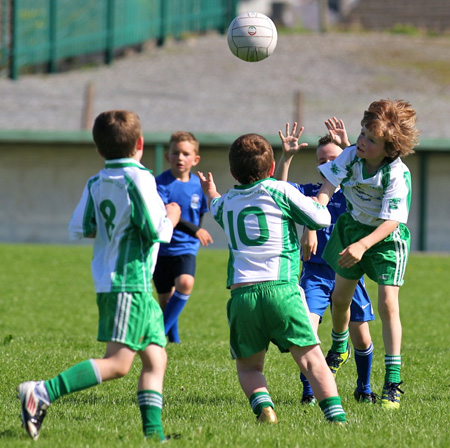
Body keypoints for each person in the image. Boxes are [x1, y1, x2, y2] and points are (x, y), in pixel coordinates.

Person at [17, 110, 181, 441]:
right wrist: (171, 217)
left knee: (156, 358)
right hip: (129, 282)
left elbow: (80, 226)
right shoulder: (140, 178)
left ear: (97, 148)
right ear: (140, 143)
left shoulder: (95, 182)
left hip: (117, 280)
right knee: (119, 363)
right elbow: (153, 230)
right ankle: (42, 392)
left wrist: (114, 229)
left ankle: (154, 436)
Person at [198, 133, 347, 425]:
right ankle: (336, 417)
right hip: (282, 291)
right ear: (269, 170)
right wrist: (324, 192)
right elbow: (320, 218)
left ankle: (265, 406)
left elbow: (214, 204)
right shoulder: (279, 190)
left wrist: (210, 190)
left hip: (242, 296)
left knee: (250, 368)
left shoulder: (227, 202)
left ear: (232, 172)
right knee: (312, 359)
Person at [312, 99, 419, 409]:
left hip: (385, 238)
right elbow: (329, 184)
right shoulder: (350, 155)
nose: (361, 141)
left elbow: (391, 222)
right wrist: (318, 206)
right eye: (361, 134)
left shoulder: (396, 174)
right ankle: (340, 345)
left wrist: (362, 246)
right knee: (340, 298)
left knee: (387, 303)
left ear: (390, 148)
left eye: (370, 139)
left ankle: (393, 381)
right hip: (353, 228)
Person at [276, 119, 377, 405]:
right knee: (307, 331)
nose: (329, 163)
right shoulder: (309, 191)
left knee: (361, 338)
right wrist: (287, 156)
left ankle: (364, 388)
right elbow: (279, 189)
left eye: (334, 158)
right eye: (323, 160)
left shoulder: (357, 193)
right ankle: (309, 392)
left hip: (349, 272)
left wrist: (349, 147)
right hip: (315, 275)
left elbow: (370, 175)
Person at [153, 131, 213, 343]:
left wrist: (195, 235)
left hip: (186, 248)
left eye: (186, 153)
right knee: (165, 300)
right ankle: (174, 341)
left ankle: (157, 334)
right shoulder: (159, 184)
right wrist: (195, 230)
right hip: (161, 248)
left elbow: (201, 214)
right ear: (167, 156)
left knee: (185, 283)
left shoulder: (198, 185)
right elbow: (169, 214)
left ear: (195, 159)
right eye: (175, 153)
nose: (180, 157)